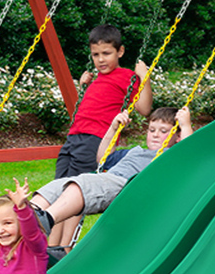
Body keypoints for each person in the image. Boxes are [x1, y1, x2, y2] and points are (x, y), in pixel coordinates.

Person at [29, 106, 192, 249]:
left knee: (82, 183)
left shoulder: (173, 155)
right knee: (58, 185)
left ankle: (46, 220)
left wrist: (185, 125)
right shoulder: (134, 152)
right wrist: (113, 129)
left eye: (164, 131)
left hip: (127, 187)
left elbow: (191, 156)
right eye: (152, 130)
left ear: (177, 137)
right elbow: (102, 158)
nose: (156, 135)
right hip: (108, 180)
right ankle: (27, 215)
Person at [55, 24, 153, 181]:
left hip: (96, 138)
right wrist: (83, 86)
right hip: (73, 136)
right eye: (95, 55)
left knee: (77, 182)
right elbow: (91, 105)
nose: (100, 59)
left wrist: (144, 77)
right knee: (58, 181)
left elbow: (144, 108)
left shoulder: (126, 76)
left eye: (106, 53)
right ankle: (45, 205)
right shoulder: (97, 78)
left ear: (120, 51)